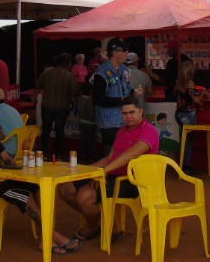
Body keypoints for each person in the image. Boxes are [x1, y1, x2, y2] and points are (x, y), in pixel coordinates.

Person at [0, 106, 79, 255]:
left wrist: (18, 169)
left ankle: (44, 239)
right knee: (25, 195)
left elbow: (6, 158)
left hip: (4, 177)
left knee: (37, 186)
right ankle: (54, 235)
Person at [58, 95, 159, 242]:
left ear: (141, 111)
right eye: (124, 113)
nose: (128, 116)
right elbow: (108, 158)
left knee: (84, 195)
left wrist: (103, 171)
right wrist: (82, 171)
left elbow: (133, 153)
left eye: (132, 112)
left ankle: (93, 227)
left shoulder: (148, 130)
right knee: (65, 189)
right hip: (111, 175)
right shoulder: (121, 131)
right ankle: (97, 218)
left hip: (133, 181)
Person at [91, 37, 132, 154]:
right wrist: (121, 100)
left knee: (123, 153)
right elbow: (98, 99)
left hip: (123, 120)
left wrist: (133, 92)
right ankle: (111, 172)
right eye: (124, 50)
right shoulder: (101, 73)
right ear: (115, 53)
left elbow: (124, 90)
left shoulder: (123, 70)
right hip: (109, 123)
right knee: (112, 156)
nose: (127, 53)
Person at [36, 52, 79, 160]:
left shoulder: (48, 71)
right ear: (66, 63)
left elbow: (38, 85)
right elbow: (74, 91)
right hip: (62, 106)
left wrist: (34, 100)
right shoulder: (69, 75)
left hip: (47, 105)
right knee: (60, 131)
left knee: (46, 129)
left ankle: (44, 152)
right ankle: (59, 154)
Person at [174, 59, 209, 173]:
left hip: (179, 113)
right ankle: (187, 167)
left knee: (182, 141)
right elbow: (196, 100)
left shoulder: (178, 82)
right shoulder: (190, 83)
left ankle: (182, 165)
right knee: (188, 141)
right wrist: (203, 93)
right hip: (188, 114)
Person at [75, 81, 98, 163]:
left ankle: (82, 156)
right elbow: (91, 113)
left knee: (83, 140)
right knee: (92, 140)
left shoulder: (79, 98)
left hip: (81, 122)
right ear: (90, 91)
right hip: (90, 123)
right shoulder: (90, 101)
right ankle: (93, 156)